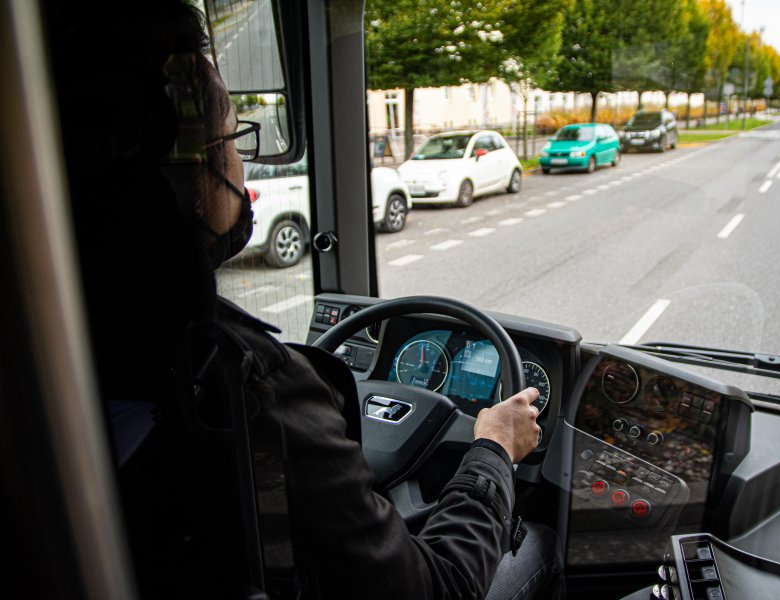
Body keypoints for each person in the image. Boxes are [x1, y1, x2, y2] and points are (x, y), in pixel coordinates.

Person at [49, 2, 564, 599]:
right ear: (178, 172)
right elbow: (439, 588)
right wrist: (494, 450)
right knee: (541, 545)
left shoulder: (72, 344)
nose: (242, 163)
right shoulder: (248, 386)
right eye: (232, 137)